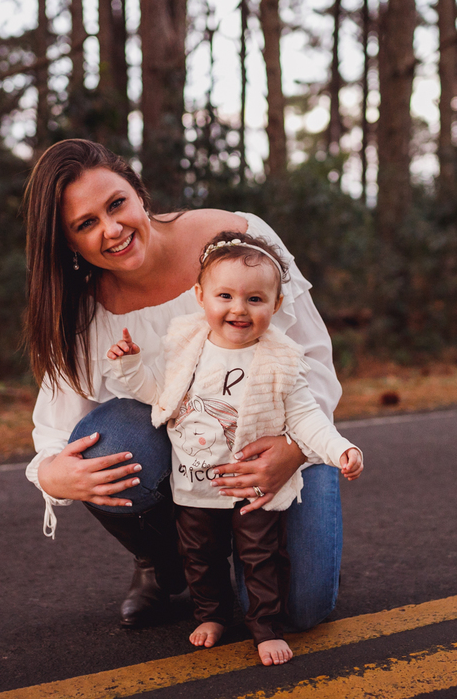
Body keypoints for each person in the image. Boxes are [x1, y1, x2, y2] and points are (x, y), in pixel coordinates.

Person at [20, 138, 346, 636]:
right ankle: (165, 562)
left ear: (138, 192)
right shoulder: (81, 310)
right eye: (86, 224)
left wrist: (295, 448)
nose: (112, 229)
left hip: (277, 444)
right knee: (101, 444)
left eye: (116, 204)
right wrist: (50, 475)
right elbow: (58, 426)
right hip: (187, 462)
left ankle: (251, 546)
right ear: (68, 243)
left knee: (299, 611)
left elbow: (314, 359)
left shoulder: (237, 237)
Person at [104, 231, 363, 666]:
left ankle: (265, 626)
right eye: (225, 295)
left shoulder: (280, 361)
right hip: (193, 488)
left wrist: (340, 449)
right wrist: (130, 365)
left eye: (255, 299)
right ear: (200, 297)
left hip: (251, 488)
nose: (239, 309)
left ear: (276, 306)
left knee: (261, 556)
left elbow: (306, 417)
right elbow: (157, 394)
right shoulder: (187, 350)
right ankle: (213, 614)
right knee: (200, 557)